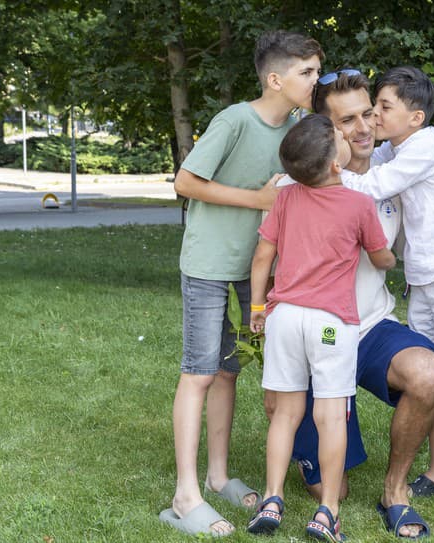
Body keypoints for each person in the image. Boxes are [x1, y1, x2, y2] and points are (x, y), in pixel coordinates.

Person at [282, 70, 434, 539]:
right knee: (333, 488)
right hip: (315, 339)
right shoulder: (292, 186)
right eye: (349, 120)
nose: (365, 127)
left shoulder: (396, 172)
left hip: (367, 328)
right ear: (324, 129)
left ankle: (397, 489)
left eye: (372, 112)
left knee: (429, 371)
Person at [158, 30, 323, 538]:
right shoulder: (234, 119)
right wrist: (255, 201)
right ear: (276, 79)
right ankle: (186, 496)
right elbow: (185, 182)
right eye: (307, 73)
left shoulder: (298, 128)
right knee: (200, 372)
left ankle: (218, 475)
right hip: (209, 263)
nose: (316, 80)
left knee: (230, 372)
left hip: (259, 269)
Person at [246, 114, 395, 541]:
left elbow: (262, 257)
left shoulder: (287, 197)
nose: (347, 135)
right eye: (339, 136)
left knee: (285, 415)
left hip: (284, 316)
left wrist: (258, 306)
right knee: (331, 417)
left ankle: (272, 498)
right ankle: (327, 512)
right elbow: (380, 255)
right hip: (332, 322)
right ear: (335, 165)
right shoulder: (358, 203)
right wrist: (389, 260)